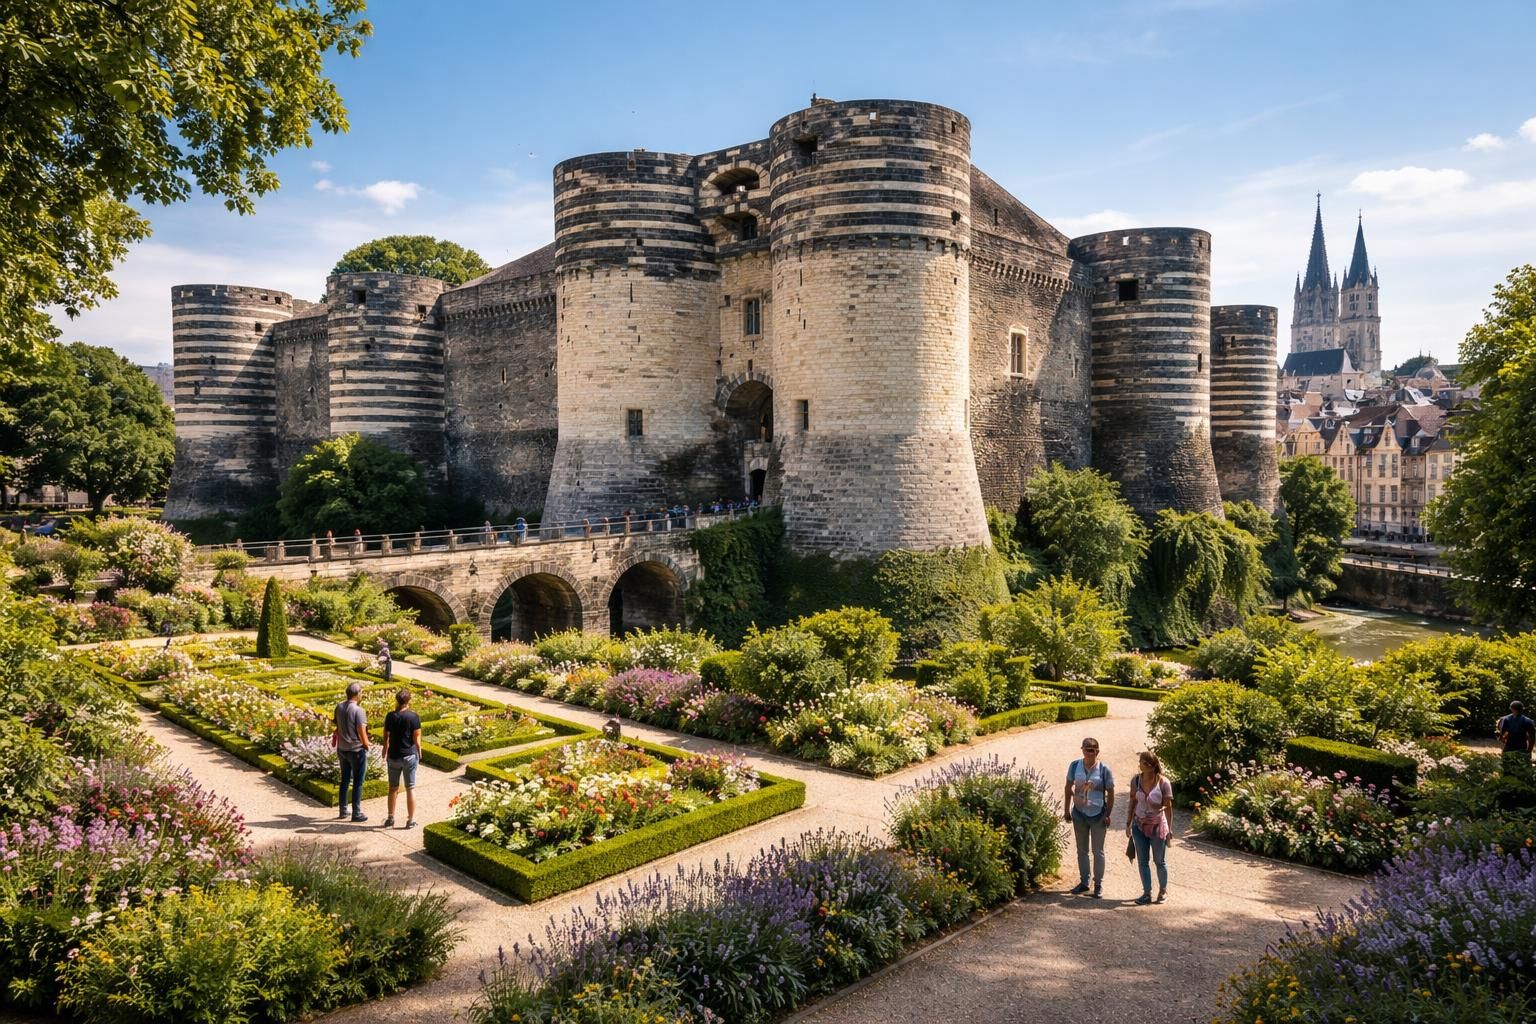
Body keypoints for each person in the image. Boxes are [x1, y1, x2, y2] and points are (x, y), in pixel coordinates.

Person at [1064, 737, 1115, 898]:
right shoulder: (1074, 766)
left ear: (1097, 751)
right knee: (1081, 850)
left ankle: (1098, 883)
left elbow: (1111, 792)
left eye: (1093, 750)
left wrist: (1108, 814)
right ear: (1082, 750)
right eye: (1087, 749)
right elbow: (1067, 787)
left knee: (1098, 851)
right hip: (1079, 813)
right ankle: (1084, 882)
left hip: (1098, 814)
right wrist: (1066, 809)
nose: (1090, 752)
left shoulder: (1104, 769)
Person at [1126, 750, 1174, 905]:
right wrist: (1128, 823)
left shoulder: (1163, 783)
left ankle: (1163, 890)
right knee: (1143, 861)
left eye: (1142, 762)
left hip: (1157, 826)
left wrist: (1169, 830)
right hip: (1139, 825)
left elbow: (1168, 807)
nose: (1139, 764)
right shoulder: (1136, 781)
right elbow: (1132, 801)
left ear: (1149, 766)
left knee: (1159, 861)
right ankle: (1147, 893)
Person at [382, 688, 422, 828]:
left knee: (393, 788)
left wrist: (384, 750)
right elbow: (417, 739)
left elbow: (386, 736)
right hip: (408, 755)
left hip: (393, 756)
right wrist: (419, 752)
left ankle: (390, 818)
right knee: (410, 788)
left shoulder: (390, 716)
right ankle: (410, 820)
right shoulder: (413, 716)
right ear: (408, 701)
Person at [332, 681, 370, 822]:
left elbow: (337, 725)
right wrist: (366, 745)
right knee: (358, 782)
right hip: (355, 749)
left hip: (342, 749)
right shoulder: (359, 710)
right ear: (357, 693)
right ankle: (356, 813)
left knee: (345, 780)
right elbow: (362, 731)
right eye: (361, 692)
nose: (362, 694)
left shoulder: (339, 706)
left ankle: (343, 810)